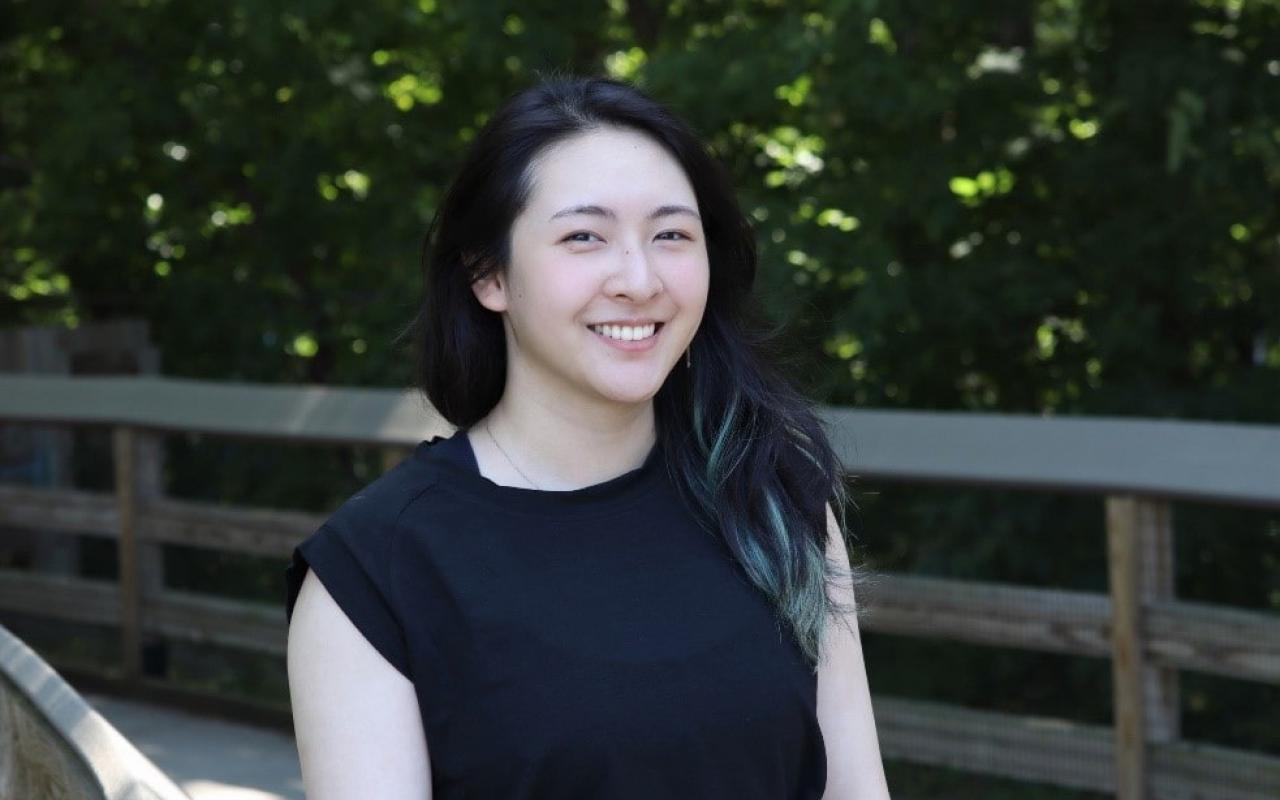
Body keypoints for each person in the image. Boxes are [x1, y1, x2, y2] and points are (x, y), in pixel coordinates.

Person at [285, 73, 889, 799]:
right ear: (488, 274)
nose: (638, 279)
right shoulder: (377, 572)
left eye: (671, 234)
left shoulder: (773, 495)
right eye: (584, 237)